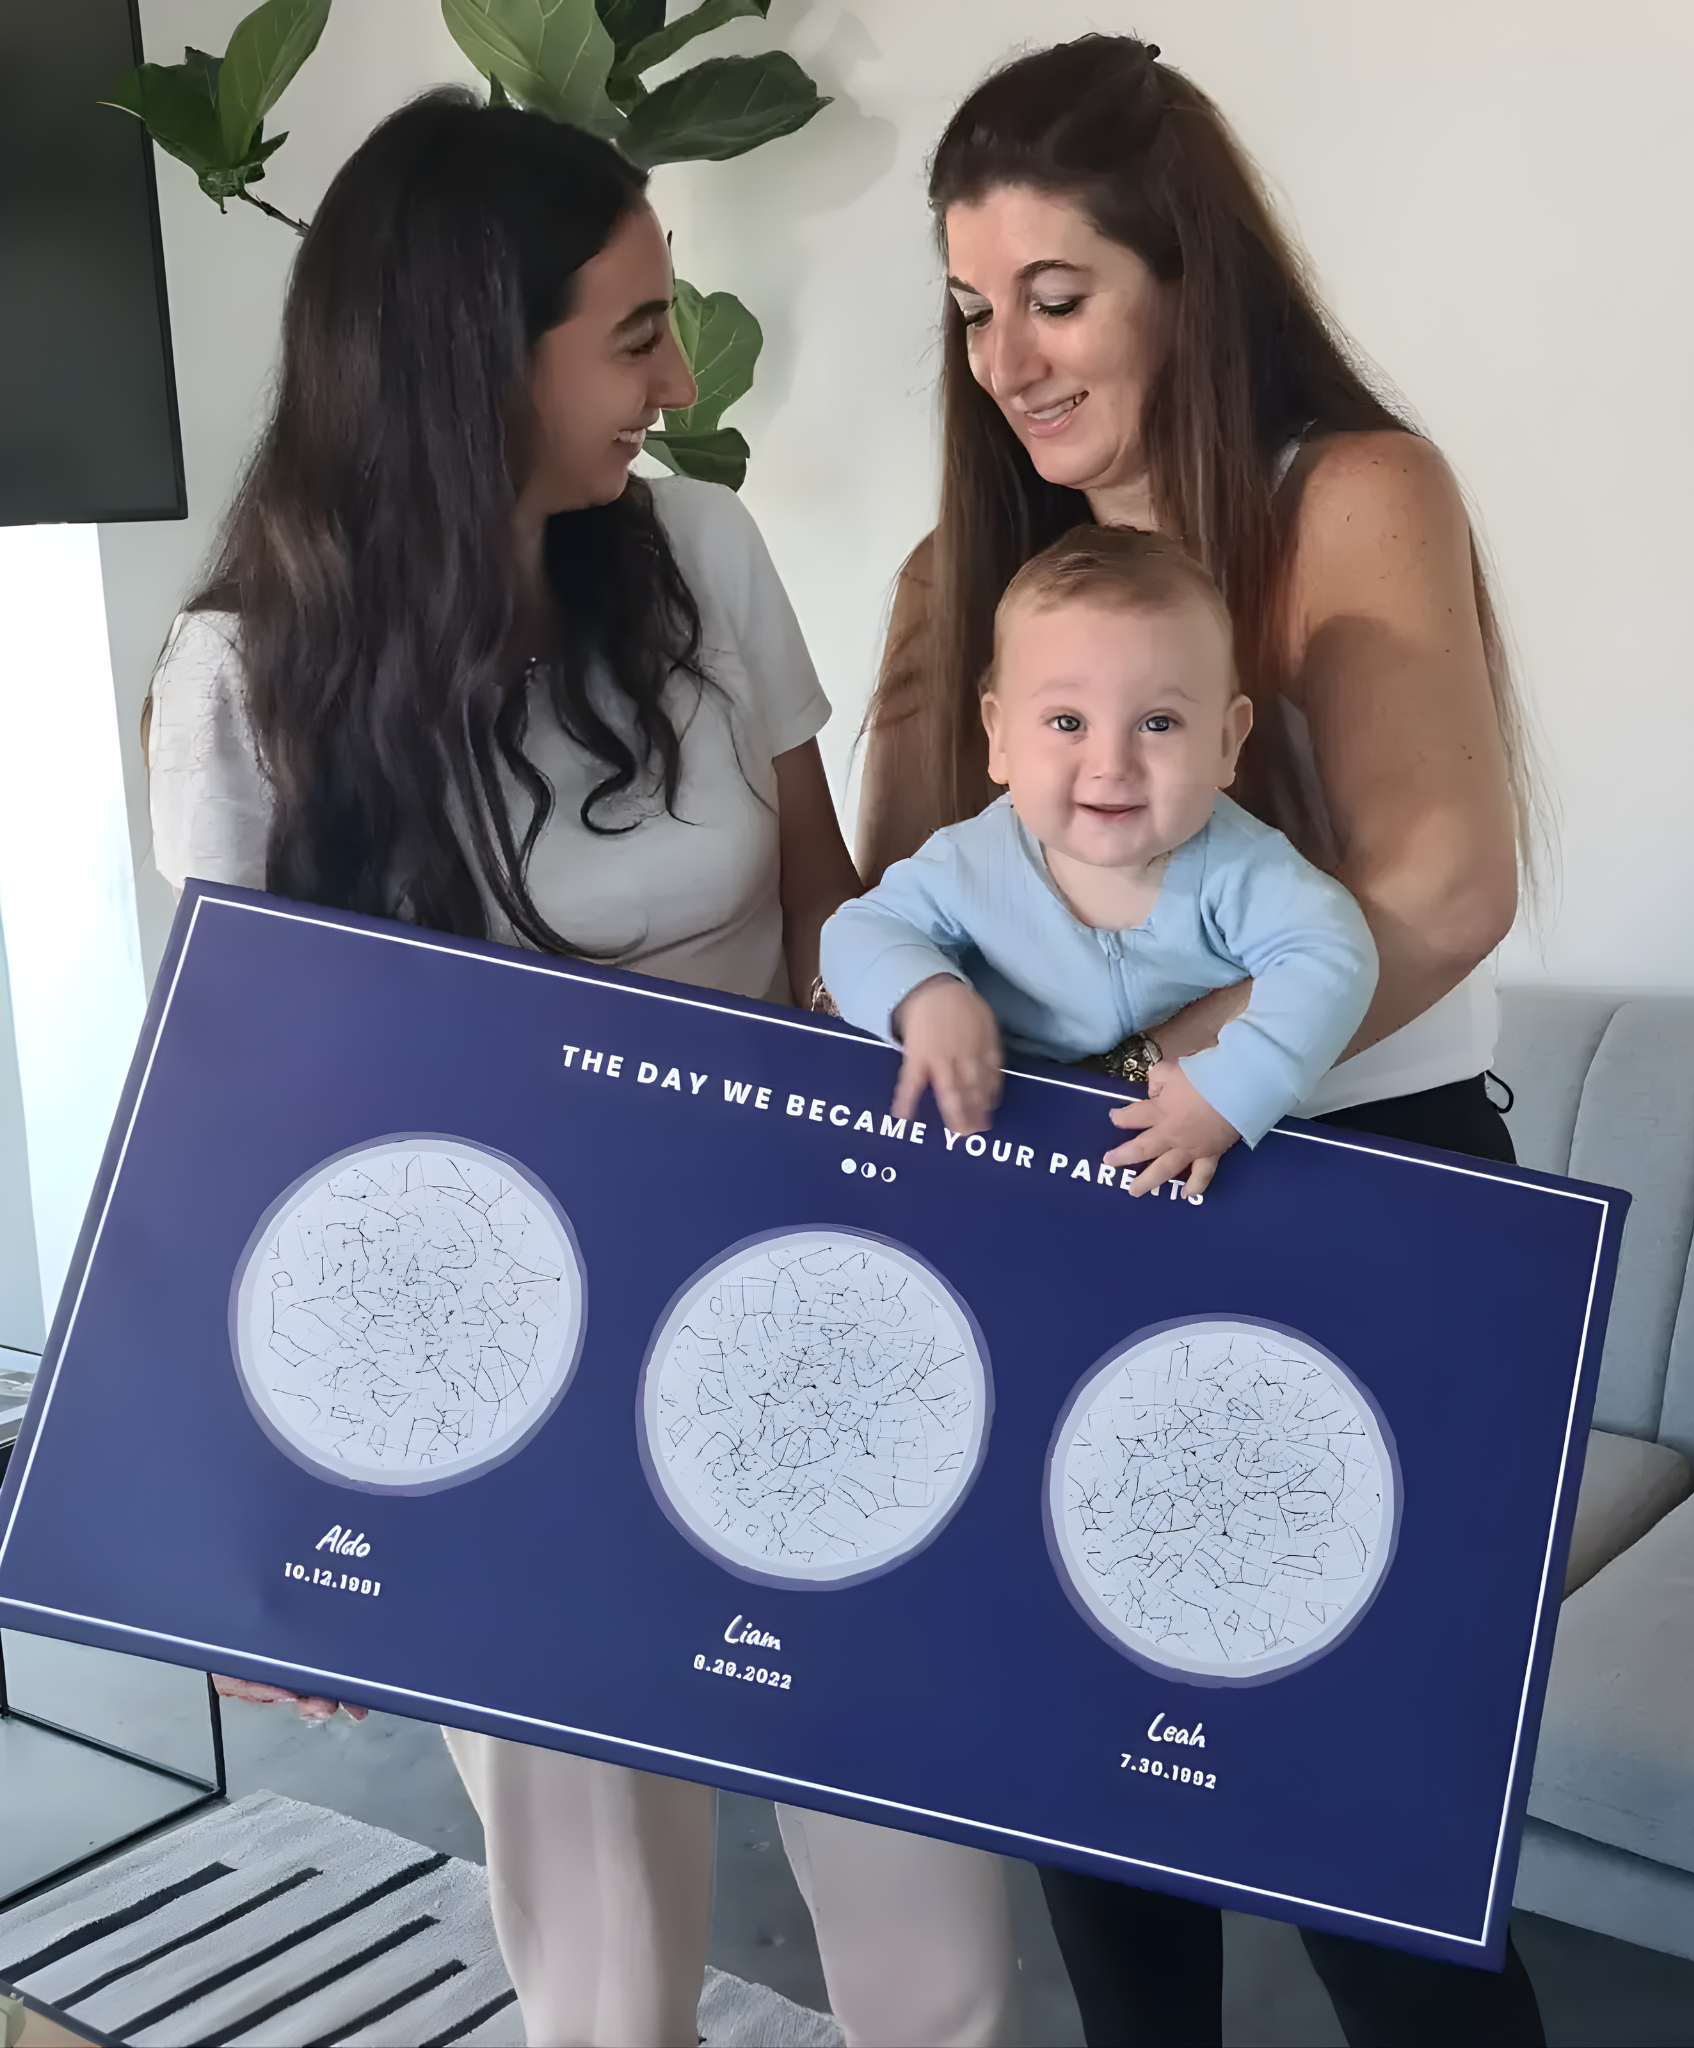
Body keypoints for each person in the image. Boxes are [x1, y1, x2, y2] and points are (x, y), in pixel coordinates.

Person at [144, 92, 1015, 2048]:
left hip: (798, 1323)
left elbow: (830, 924)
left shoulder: (700, 551)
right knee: (609, 1990)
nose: (671, 370)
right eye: (632, 332)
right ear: (472, 357)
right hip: (501, 1377)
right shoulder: (242, 679)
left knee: (941, 1961)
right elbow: (244, 1127)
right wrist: (256, 1504)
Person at [854, 33, 1545, 2048]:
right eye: (975, 312)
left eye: (1055, 297)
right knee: (1096, 1819)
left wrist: (1168, 1084)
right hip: (1065, 1226)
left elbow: (1438, 881)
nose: (1006, 357)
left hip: (1364, 1190)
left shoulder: (1349, 494)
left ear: (1187, 278)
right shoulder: (950, 574)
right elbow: (921, 917)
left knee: (1372, 1851)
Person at [822, 525, 1376, 1194]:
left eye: (1159, 723)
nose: (1111, 766)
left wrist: (1231, 1092)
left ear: (1227, 743)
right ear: (999, 738)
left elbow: (1333, 953)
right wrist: (925, 995)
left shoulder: (1240, 870)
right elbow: (856, 932)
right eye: (1067, 723)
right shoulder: (972, 862)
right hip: (998, 1135)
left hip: (1176, 1146)